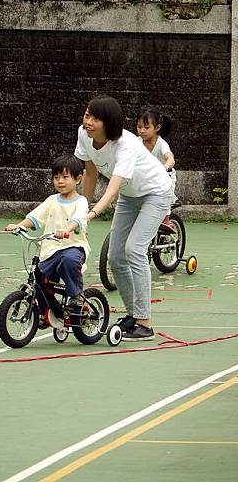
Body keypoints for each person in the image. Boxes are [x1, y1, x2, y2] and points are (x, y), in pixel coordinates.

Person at [74, 95, 173, 341]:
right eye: (87, 115)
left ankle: (145, 323)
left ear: (109, 123)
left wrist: (93, 213)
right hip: (130, 195)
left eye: (95, 118)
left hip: (156, 193)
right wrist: (81, 209)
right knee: (116, 256)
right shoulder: (83, 135)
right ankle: (133, 316)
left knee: (135, 249)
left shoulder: (126, 144)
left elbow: (113, 187)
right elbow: (90, 173)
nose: (88, 122)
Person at [4, 154, 90, 327]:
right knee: (39, 277)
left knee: (69, 261)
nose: (60, 181)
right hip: (50, 249)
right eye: (56, 177)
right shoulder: (52, 200)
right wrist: (20, 226)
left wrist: (67, 229)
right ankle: (45, 312)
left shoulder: (81, 201)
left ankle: (75, 296)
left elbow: (79, 219)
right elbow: (36, 217)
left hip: (73, 246)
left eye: (65, 177)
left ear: (78, 179)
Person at [136, 107, 178, 233]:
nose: (142, 131)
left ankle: (166, 219)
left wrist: (165, 167)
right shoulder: (136, 142)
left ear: (157, 128)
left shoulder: (161, 144)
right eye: (139, 127)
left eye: (146, 127)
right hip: (145, 177)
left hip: (165, 177)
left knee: (164, 194)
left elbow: (170, 158)